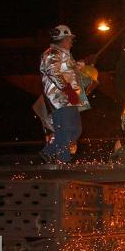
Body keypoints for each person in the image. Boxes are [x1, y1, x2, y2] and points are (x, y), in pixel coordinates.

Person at [39, 24, 90, 163]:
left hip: (70, 98)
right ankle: (63, 161)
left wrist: (81, 64)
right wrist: (67, 90)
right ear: (63, 39)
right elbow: (53, 72)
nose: (71, 42)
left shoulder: (64, 55)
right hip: (60, 98)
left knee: (76, 130)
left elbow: (68, 70)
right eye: (70, 39)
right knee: (65, 131)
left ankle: (49, 151)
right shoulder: (51, 53)